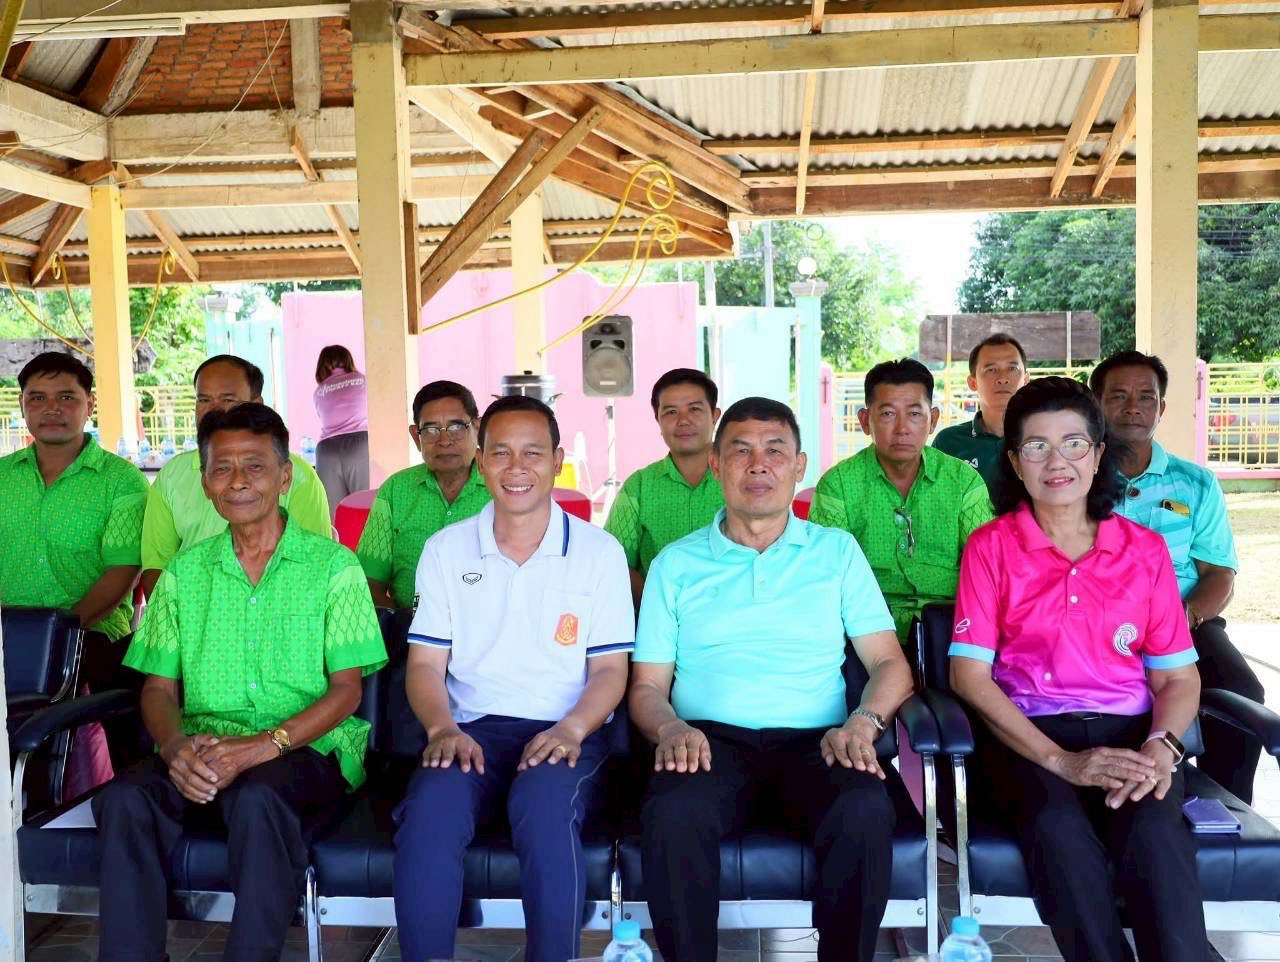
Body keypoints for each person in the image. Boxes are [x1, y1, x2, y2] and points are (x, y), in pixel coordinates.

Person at [94, 403, 386, 962]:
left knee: (257, 798)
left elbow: (347, 690)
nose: (238, 481)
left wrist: (263, 746)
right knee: (125, 799)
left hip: (305, 747)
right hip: (203, 744)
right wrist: (174, 747)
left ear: (285, 476)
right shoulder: (183, 573)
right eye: (222, 468)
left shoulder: (334, 567)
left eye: (254, 466)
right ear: (205, 484)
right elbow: (158, 689)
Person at [631, 397, 914, 962]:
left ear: (799, 466)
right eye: (740, 450)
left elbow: (890, 664)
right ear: (716, 465)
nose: (757, 464)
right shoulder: (675, 564)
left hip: (821, 742)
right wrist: (669, 729)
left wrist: (863, 723)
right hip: (707, 744)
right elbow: (646, 688)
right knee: (673, 812)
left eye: (775, 450)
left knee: (863, 807)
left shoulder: (836, 552)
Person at [949, 376, 1206, 962]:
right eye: (1036, 446)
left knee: (1155, 833)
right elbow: (969, 675)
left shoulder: (1143, 550)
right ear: (1014, 462)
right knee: (1059, 834)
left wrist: (1161, 749)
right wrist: (1060, 760)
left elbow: (1176, 677)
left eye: (1073, 443)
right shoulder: (991, 547)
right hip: (1028, 741)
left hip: (1133, 735)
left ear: (1097, 455)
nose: (1056, 461)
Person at [392, 395, 634, 962]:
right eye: (500, 452)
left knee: (545, 811)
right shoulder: (446, 550)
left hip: (567, 730)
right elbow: (424, 666)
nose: (516, 467)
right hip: (469, 731)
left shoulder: (599, 553)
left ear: (557, 461)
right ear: (480, 462)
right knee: (429, 813)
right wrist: (441, 729)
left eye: (533, 452)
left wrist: (571, 730)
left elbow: (609, 672)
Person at [1091, 350, 1262, 802]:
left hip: (1184, 623)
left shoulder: (1196, 483)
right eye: (1119, 396)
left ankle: (1225, 806)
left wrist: (1183, 619)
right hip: (1095, 625)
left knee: (1242, 691)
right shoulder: (1077, 478)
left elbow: (1219, 572)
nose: (1133, 407)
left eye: (1146, 397)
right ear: (1096, 405)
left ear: (1161, 407)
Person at [0, 352, 149, 786]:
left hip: (90, 637)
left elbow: (122, 571)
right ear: (22, 405)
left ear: (90, 404)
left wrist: (56, 633)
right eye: (38, 398)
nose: (52, 409)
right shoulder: (3, 476)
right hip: (6, 637)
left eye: (66, 397)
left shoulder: (121, 480)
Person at [810, 358, 992, 646]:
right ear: (865, 421)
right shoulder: (839, 485)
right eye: (887, 414)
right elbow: (827, 576)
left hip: (953, 626)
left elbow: (986, 570)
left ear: (933, 420)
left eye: (915, 414)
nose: (902, 428)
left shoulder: (963, 482)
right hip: (863, 628)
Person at [140, 355, 330, 596]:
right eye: (204, 400)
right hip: (192, 609)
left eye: (228, 399)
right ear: (205, 482)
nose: (213, 411)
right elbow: (156, 568)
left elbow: (314, 566)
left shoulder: (300, 478)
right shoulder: (171, 476)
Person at [356, 380, 491, 609]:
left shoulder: (500, 487)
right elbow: (368, 584)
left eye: (457, 427)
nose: (445, 441)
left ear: (477, 428)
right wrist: (404, 625)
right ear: (415, 436)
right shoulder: (396, 490)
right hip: (408, 625)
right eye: (430, 430)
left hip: (489, 627)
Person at [605, 367, 724, 606]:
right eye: (671, 412)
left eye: (694, 409)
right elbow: (613, 561)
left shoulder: (741, 478)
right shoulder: (639, 487)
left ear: (715, 415)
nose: (683, 420)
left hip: (733, 616)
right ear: (657, 419)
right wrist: (658, 606)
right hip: (657, 617)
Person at [934, 333, 1030, 497]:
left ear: (1026, 379)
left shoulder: (1044, 439)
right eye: (991, 370)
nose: (1002, 378)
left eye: (1012, 368)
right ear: (973, 383)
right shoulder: (948, 443)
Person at [312, 344, 369, 519]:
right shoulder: (362, 380)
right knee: (366, 509)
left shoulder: (319, 391)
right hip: (360, 445)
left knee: (333, 516)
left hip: (326, 450)